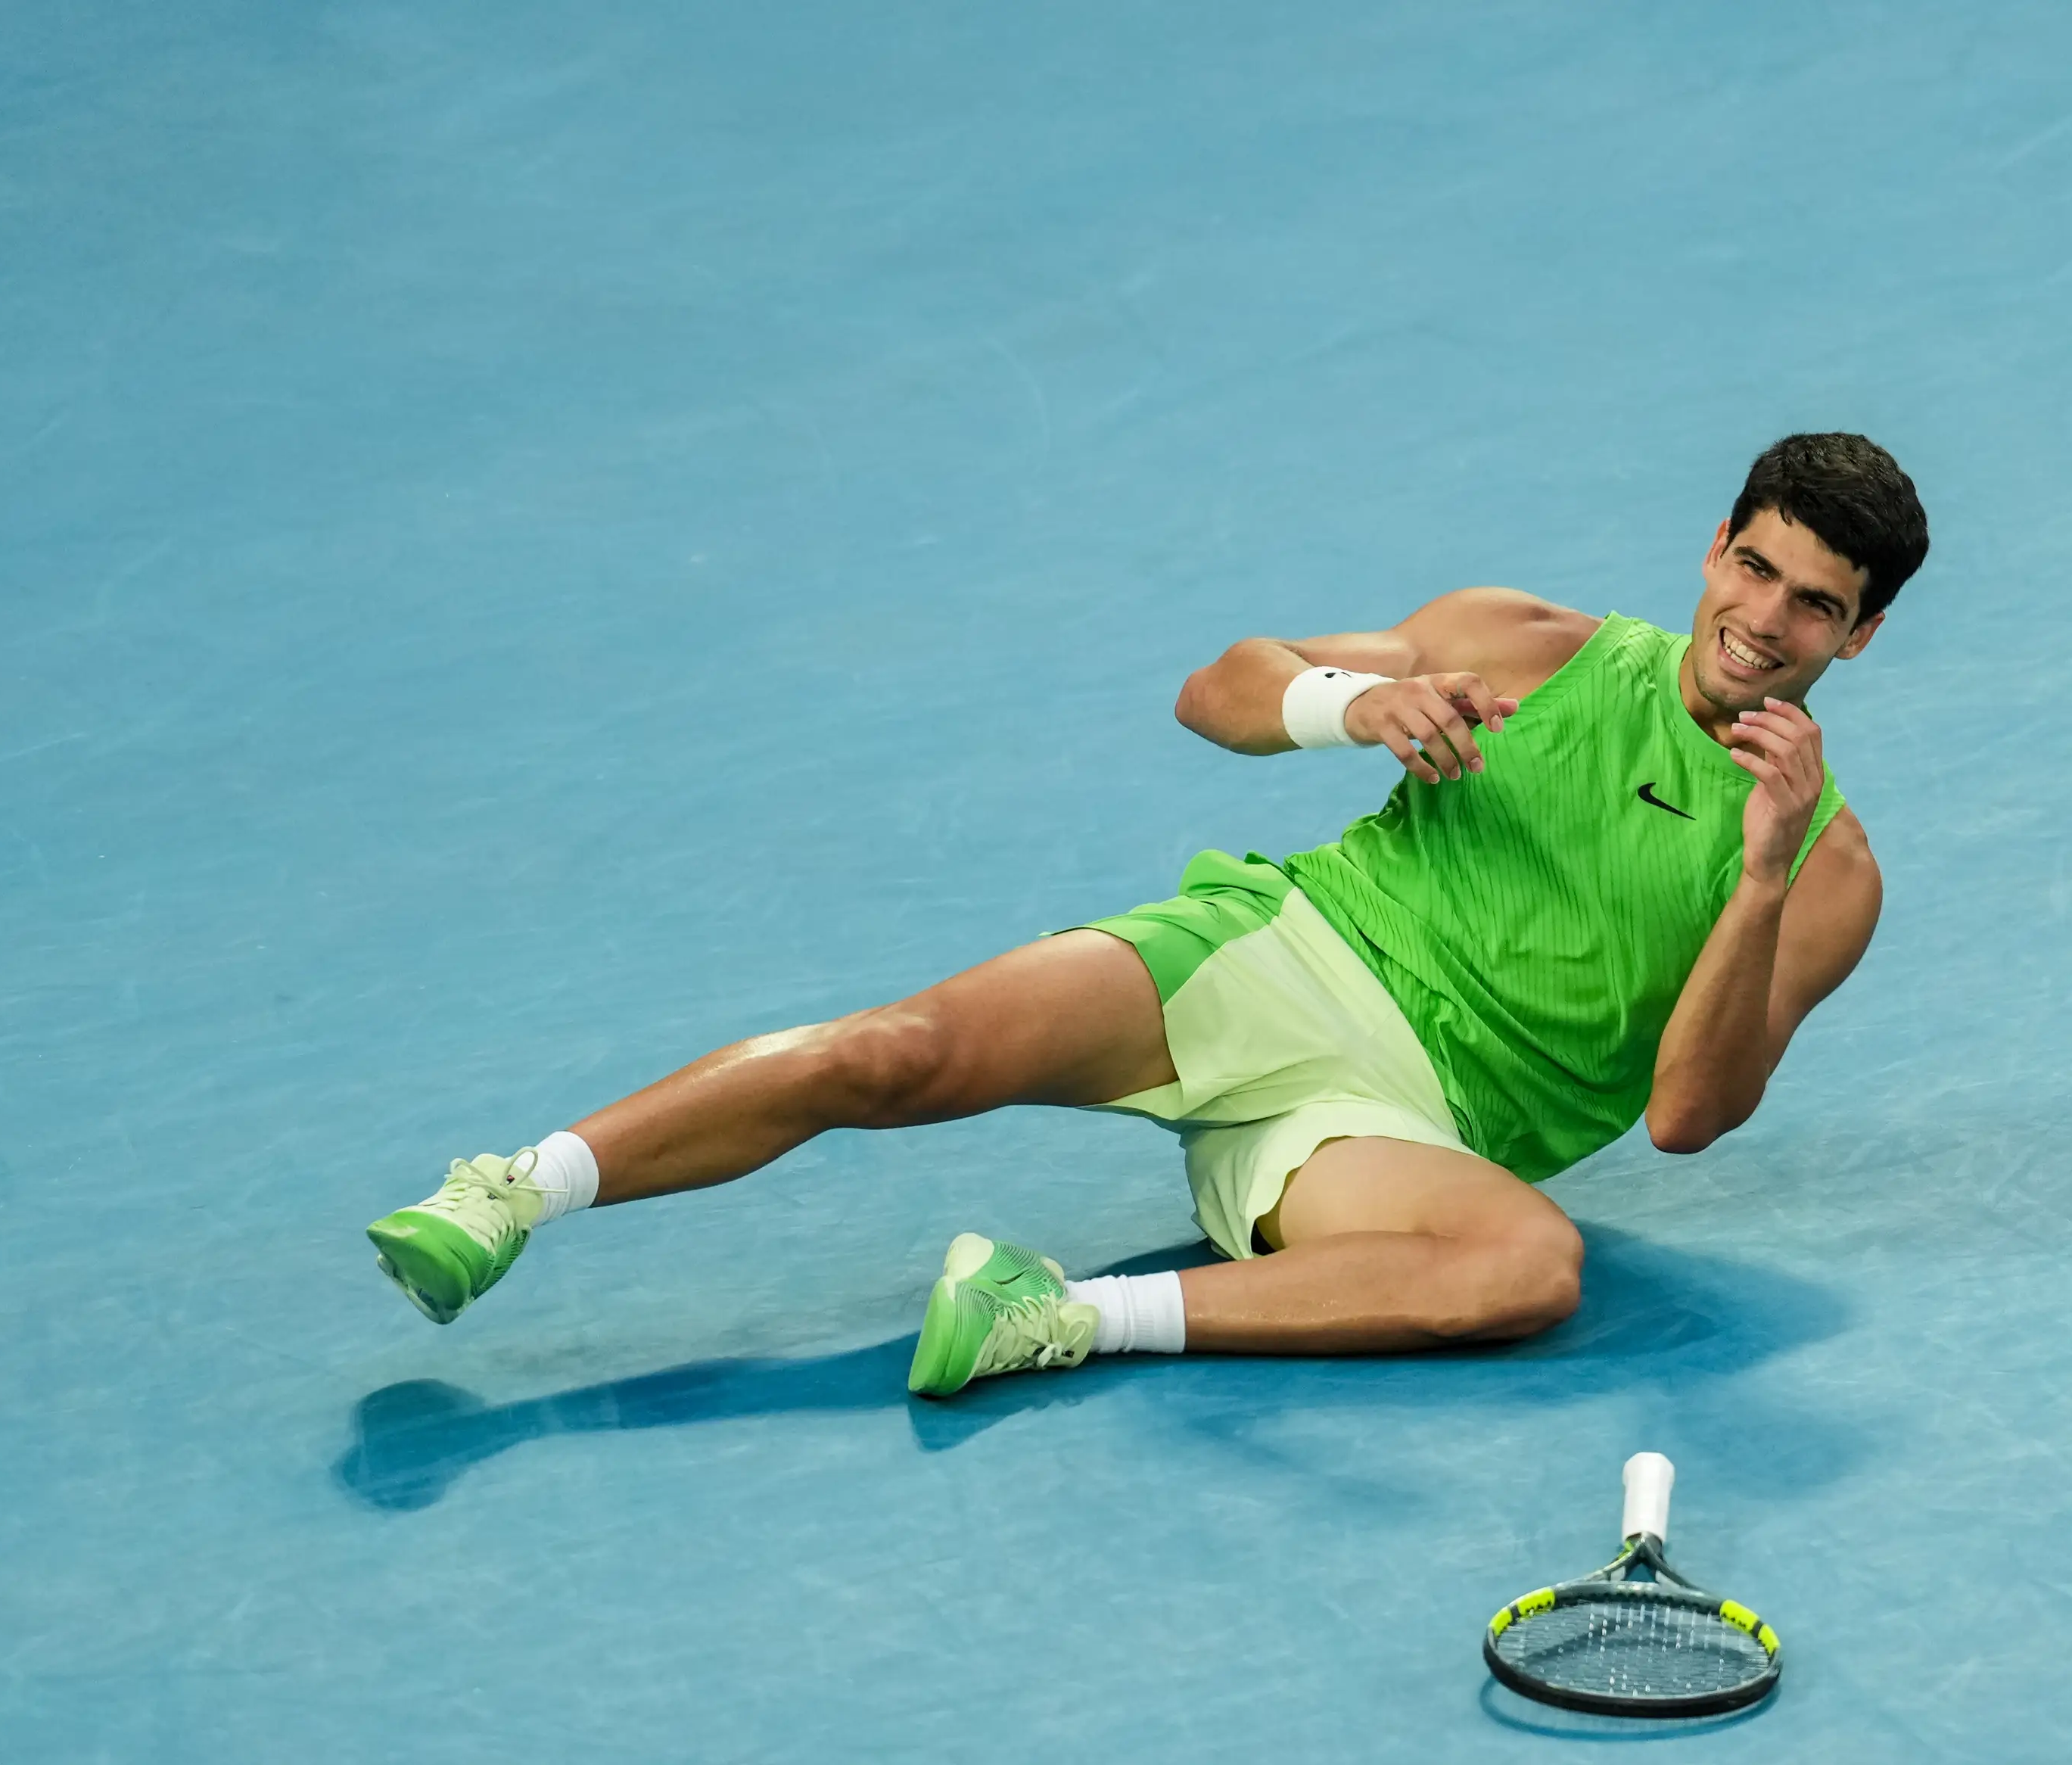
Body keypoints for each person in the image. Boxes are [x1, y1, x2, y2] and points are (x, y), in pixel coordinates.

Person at [366, 431, 1928, 1396]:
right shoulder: (1532, 645)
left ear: (1858, 641)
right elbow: (1216, 689)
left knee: (1527, 1266)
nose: (1765, 621)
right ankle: (520, 1186)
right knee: (899, 1051)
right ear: (1711, 545)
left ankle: (1057, 1317)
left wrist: (1763, 868)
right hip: (1273, 959)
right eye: (1757, 568)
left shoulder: (1830, 867)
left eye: (1815, 606)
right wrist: (1357, 704)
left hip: (1400, 1142)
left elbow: (1685, 1119)